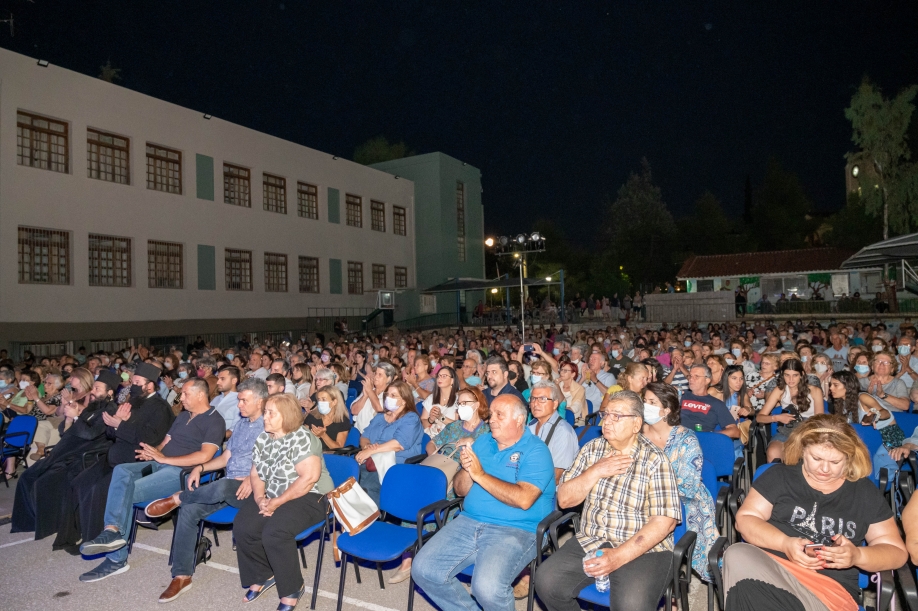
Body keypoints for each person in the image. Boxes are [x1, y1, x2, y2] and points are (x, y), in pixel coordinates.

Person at [724, 414, 907, 610]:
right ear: (803, 449)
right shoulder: (779, 476)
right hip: (774, 571)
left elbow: (896, 552)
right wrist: (785, 544)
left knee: (748, 593)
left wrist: (857, 556)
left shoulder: (864, 492)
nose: (825, 469)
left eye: (836, 462)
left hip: (826, 591)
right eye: (817, 458)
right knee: (736, 553)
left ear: (849, 457)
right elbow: (745, 519)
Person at [534, 390, 682, 611]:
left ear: (636, 424)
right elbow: (564, 500)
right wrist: (595, 471)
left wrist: (618, 556)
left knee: (631, 604)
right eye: (606, 414)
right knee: (546, 582)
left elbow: (665, 523)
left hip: (642, 547)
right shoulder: (591, 450)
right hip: (592, 538)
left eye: (617, 416)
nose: (607, 421)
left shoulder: (654, 459)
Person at [413, 395, 556, 611]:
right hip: (469, 521)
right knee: (424, 569)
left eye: (500, 415)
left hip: (517, 529)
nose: (492, 420)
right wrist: (466, 468)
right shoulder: (483, 442)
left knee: (487, 588)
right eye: (491, 414)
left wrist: (479, 474)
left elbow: (524, 499)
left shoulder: (536, 450)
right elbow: (461, 490)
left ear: (519, 420)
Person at [78, 377, 226, 582]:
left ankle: (116, 559)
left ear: (201, 395)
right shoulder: (183, 417)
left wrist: (165, 459)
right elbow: (166, 441)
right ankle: (112, 531)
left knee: (127, 491)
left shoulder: (214, 420)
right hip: (160, 463)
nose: (180, 398)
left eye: (185, 394)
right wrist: (154, 453)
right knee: (121, 471)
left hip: (181, 472)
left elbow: (204, 457)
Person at [143, 378, 267, 603]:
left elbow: (276, 461)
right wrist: (200, 467)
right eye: (238, 400)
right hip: (229, 486)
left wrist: (253, 477)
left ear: (260, 402)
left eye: (243, 401)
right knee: (190, 510)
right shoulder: (241, 425)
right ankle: (181, 575)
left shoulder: (270, 425)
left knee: (219, 486)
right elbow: (226, 457)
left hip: (253, 489)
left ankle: (179, 497)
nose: (238, 405)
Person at [52, 362, 174, 552]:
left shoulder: (161, 408)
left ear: (150, 385)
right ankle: (71, 536)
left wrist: (121, 424)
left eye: (137, 382)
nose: (132, 386)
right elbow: (110, 433)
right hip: (114, 457)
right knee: (79, 482)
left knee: (98, 489)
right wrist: (115, 425)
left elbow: (150, 439)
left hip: (135, 463)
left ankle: (95, 539)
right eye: (132, 381)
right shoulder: (132, 402)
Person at [233, 394, 333, 609]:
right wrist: (260, 499)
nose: (265, 417)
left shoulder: (303, 438)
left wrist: (276, 503)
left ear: (286, 416)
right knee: (244, 526)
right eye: (265, 411)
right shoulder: (263, 438)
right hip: (274, 494)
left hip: (312, 496)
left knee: (275, 532)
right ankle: (264, 574)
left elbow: (308, 479)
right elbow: (257, 474)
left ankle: (292, 588)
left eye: (271, 413)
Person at [10, 370, 120, 548]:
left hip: (84, 456)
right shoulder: (92, 407)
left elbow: (90, 434)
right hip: (67, 451)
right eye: (94, 387)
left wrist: (76, 416)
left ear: (109, 392)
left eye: (98, 388)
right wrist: (69, 418)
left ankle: (50, 524)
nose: (93, 391)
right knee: (27, 476)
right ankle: (30, 521)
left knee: (44, 482)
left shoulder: (110, 410)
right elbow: (65, 431)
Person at [355, 380, 423, 505]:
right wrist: (367, 446)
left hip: (396, 464)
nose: (388, 398)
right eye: (387, 394)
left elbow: (398, 444)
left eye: (393, 395)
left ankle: (370, 519)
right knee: (349, 479)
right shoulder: (380, 416)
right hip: (371, 460)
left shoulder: (411, 418)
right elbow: (364, 436)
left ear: (404, 400)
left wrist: (372, 450)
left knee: (366, 486)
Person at [758, 359, 825, 463]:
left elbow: (820, 421)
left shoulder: (815, 391)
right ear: (782, 375)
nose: (791, 379)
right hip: (788, 429)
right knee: (773, 451)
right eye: (787, 375)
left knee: (803, 451)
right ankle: (775, 478)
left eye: (795, 375)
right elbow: (760, 417)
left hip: (809, 430)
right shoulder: (780, 390)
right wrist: (777, 417)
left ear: (802, 375)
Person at [351, 362, 397, 434]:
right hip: (357, 432)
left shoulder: (390, 395)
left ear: (388, 379)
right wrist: (365, 396)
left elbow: (379, 409)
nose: (375, 377)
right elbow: (353, 411)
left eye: (380, 375)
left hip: (372, 438)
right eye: (375, 373)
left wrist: (369, 391)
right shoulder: (369, 390)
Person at [304, 386, 352, 451]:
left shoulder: (342, 421)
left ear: (334, 402)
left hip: (329, 456)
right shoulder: (313, 415)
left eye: (324, 399)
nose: (320, 402)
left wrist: (323, 435)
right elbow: (302, 436)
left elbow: (338, 447)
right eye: (319, 399)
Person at [420, 365, 459, 436]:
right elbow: (422, 424)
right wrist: (430, 419)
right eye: (438, 376)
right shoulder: (431, 398)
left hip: (448, 438)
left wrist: (441, 417)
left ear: (452, 380)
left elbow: (458, 427)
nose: (440, 378)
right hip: (429, 436)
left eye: (444, 376)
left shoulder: (459, 400)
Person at [210, 365, 240, 437]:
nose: (218, 382)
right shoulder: (216, 399)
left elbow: (234, 431)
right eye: (218, 379)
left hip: (222, 442)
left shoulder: (239, 401)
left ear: (234, 381)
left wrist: (212, 438)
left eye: (222, 379)